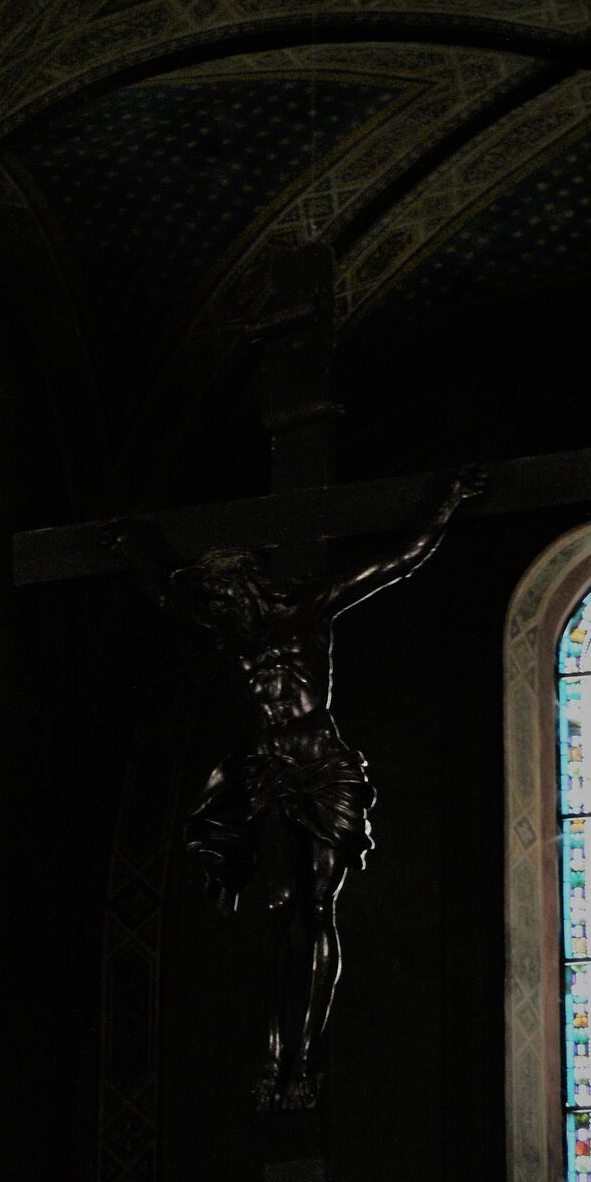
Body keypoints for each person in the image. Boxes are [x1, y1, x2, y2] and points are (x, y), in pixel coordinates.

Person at [122, 466, 483, 1108]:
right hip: (269, 769)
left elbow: (396, 563)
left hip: (323, 765)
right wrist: (131, 548)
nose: (219, 609)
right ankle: (272, 1051)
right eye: (214, 603)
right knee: (278, 906)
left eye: (224, 596)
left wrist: (446, 504)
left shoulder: (308, 609)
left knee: (317, 906)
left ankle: (306, 1055)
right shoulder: (232, 634)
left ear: (244, 584)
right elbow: (169, 600)